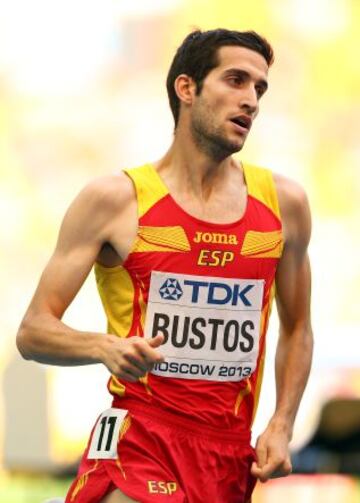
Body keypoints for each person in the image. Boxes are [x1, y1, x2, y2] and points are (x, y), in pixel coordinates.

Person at [17, 29, 313, 503]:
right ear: (187, 88)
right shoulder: (114, 200)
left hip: (228, 452)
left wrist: (282, 423)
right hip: (142, 437)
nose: (251, 100)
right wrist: (105, 346)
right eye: (235, 80)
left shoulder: (285, 205)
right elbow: (33, 331)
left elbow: (297, 328)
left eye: (259, 88)